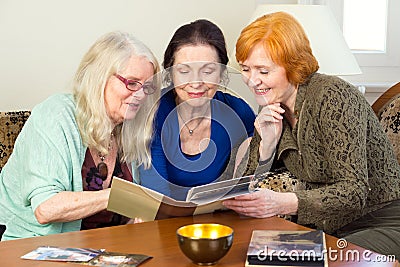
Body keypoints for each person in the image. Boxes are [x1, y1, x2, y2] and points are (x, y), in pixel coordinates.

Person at [223, 12, 400, 258]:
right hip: (330, 226)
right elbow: (246, 189)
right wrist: (266, 147)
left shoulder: (333, 96)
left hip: (383, 222)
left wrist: (282, 202)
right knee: (253, 257)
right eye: (245, 69)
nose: (252, 82)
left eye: (263, 71)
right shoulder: (272, 105)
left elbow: (355, 190)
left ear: (292, 66)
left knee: (322, 260)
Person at [0, 31, 160, 240]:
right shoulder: (55, 115)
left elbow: (121, 218)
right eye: (131, 83)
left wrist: (137, 218)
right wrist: (117, 197)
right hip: (27, 245)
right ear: (100, 78)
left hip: (99, 248)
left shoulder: (127, 129)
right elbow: (46, 209)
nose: (140, 95)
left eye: (147, 87)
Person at [139, 19, 256, 200]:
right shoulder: (152, 113)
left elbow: (256, 177)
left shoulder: (238, 112)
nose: (195, 83)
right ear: (170, 73)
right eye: (184, 71)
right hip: (162, 222)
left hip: (221, 222)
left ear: (222, 73)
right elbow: (157, 198)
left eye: (208, 71)